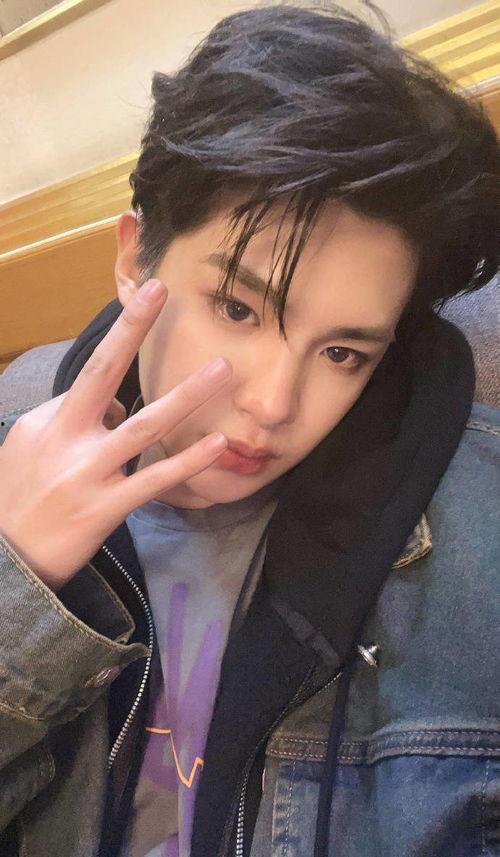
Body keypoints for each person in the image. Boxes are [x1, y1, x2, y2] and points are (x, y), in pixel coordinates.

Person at [0, 3, 498, 856]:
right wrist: (16, 584)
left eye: (341, 352)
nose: (273, 405)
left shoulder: (476, 538)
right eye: (238, 308)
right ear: (134, 260)